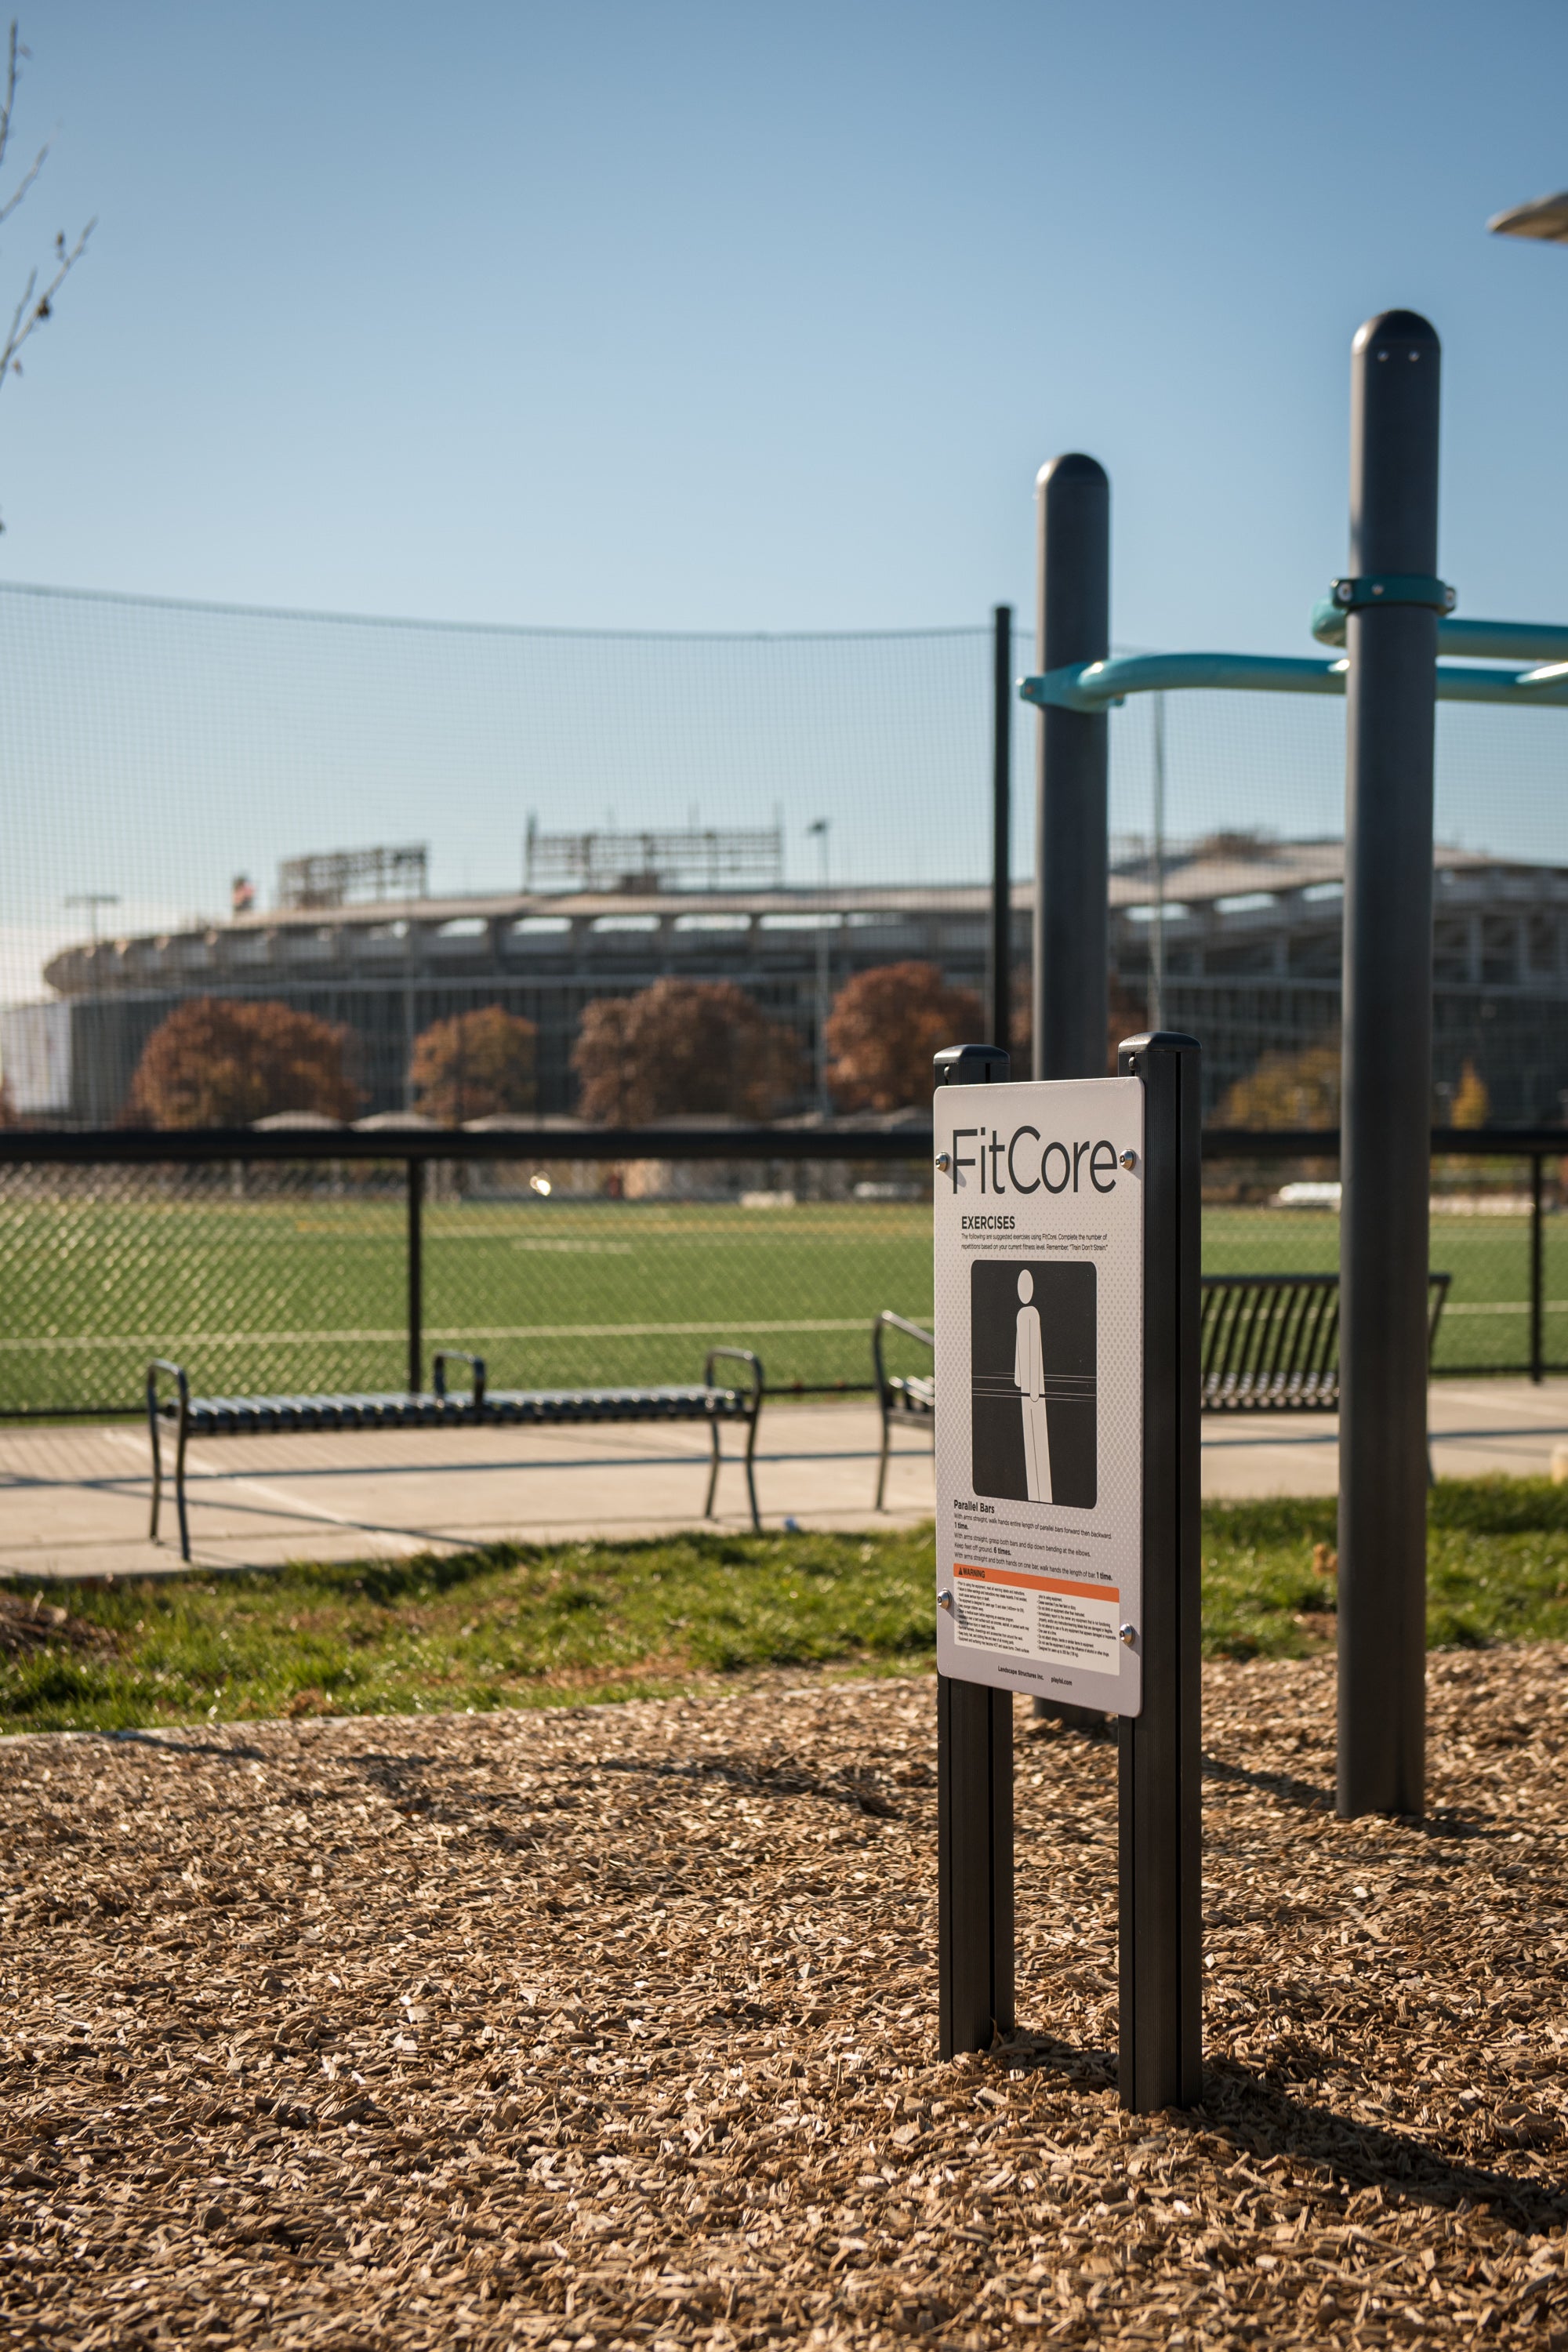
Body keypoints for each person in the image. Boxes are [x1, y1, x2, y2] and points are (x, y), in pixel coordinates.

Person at [1014, 1268, 1051, 1502]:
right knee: (1032, 1441)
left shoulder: (1031, 1315)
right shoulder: (1024, 1315)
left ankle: (1042, 1494)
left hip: (1034, 1390)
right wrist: (1021, 1381)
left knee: (1038, 1438)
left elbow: (1034, 1350)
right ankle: (1036, 1494)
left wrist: (1033, 1388)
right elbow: (1021, 1351)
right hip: (1029, 1390)